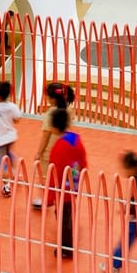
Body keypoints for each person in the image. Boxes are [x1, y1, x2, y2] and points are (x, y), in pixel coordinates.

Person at [44, 104, 87, 258]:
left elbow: (53, 173)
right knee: (67, 213)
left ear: (54, 127)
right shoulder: (76, 139)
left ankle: (67, 248)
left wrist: (49, 197)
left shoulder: (58, 147)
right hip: (74, 183)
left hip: (63, 188)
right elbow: (83, 161)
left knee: (63, 217)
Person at [33, 81, 75, 210]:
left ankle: (48, 200)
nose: (46, 98)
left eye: (48, 96)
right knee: (60, 176)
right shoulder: (69, 110)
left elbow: (46, 135)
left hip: (50, 150)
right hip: (64, 148)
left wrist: (39, 153)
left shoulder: (51, 113)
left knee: (47, 178)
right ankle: (57, 199)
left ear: (53, 99)